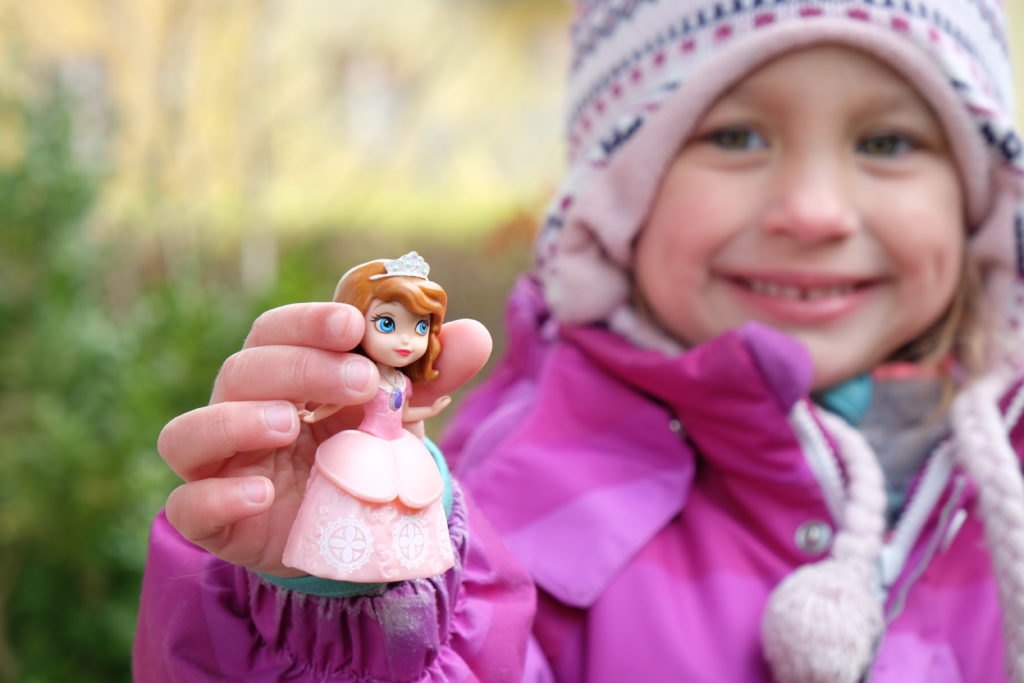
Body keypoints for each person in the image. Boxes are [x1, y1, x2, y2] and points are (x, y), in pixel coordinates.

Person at [136, 2, 1024, 682]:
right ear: (614, 202)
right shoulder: (530, 499)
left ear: (981, 200)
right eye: (736, 135)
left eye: (887, 141)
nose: (816, 211)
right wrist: (341, 600)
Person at [282, 253, 457, 583]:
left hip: (400, 445)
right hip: (366, 445)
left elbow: (404, 414)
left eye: (421, 327)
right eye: (387, 324)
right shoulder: (366, 376)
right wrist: (315, 414)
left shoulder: (401, 381)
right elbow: (339, 402)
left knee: (407, 497)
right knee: (360, 496)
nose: (406, 340)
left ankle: (398, 562)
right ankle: (353, 560)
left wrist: (431, 410)